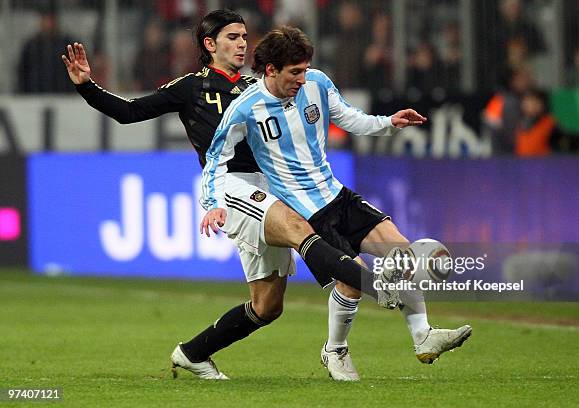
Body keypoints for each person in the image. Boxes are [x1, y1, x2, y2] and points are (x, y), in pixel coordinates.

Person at [62, 9, 400, 381]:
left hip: (270, 188)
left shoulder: (257, 88)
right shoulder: (190, 87)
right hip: (233, 190)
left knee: (268, 306)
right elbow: (129, 112)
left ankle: (192, 352)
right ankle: (372, 285)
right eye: (233, 37)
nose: (242, 43)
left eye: (244, 37)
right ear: (210, 44)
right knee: (300, 229)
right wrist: (86, 86)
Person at [201, 26, 472, 381]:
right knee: (352, 282)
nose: (302, 77)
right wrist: (211, 203)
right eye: (294, 72)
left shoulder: (317, 83)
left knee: (402, 254)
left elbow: (349, 117)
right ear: (270, 70)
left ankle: (423, 335)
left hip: (338, 195)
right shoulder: (245, 108)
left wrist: (388, 123)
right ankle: (335, 351)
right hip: (307, 213)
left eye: (305, 68)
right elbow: (215, 157)